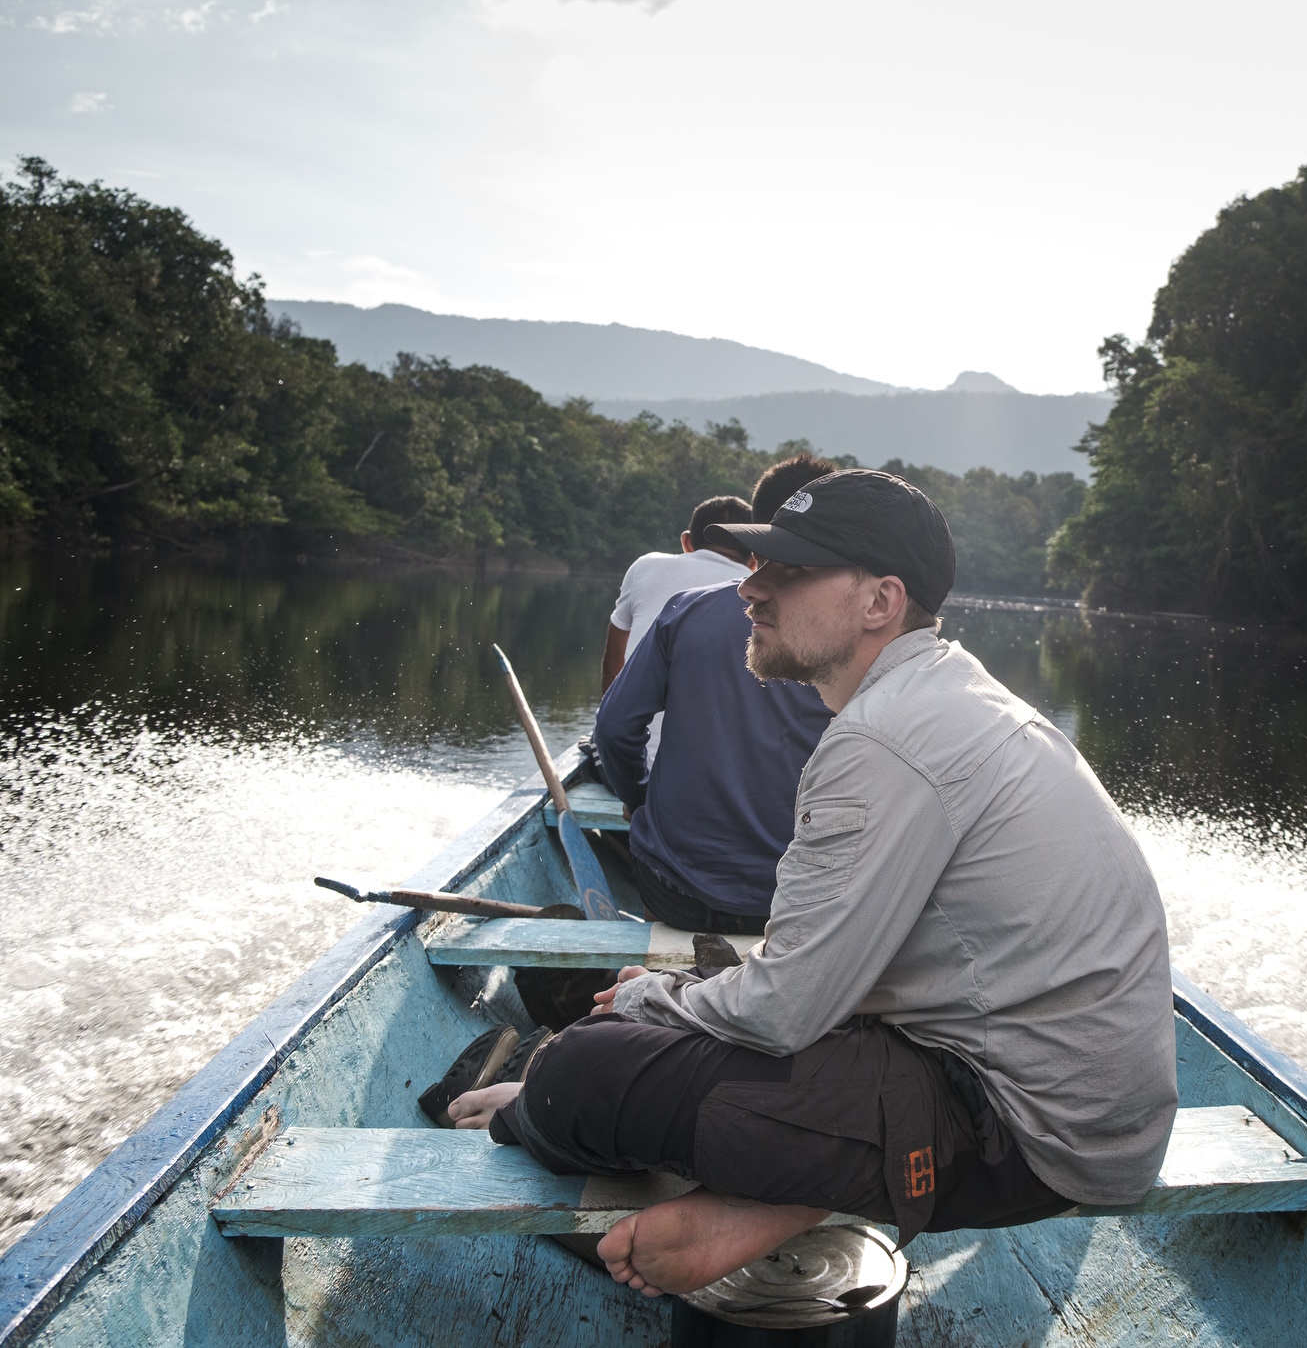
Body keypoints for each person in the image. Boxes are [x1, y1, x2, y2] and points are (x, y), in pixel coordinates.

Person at [449, 469, 1177, 1299]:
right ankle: (780, 1199)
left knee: (583, 1071)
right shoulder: (947, 694)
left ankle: (584, 1118)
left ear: (880, 602)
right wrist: (690, 988)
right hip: (1076, 1106)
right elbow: (821, 981)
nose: (751, 589)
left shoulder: (881, 740)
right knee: (680, 1013)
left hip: (1031, 1135)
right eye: (759, 565)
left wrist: (655, 1001)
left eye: (788, 571)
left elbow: (786, 1008)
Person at [589, 457, 839, 936]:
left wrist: (639, 801)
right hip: (795, 904)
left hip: (675, 893)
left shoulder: (688, 610)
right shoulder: (858, 639)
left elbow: (614, 727)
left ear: (755, 529)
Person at [603, 494, 751, 767]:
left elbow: (615, 659)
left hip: (634, 762)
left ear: (686, 542)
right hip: (708, 777)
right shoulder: (759, 593)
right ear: (754, 559)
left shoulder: (645, 566)